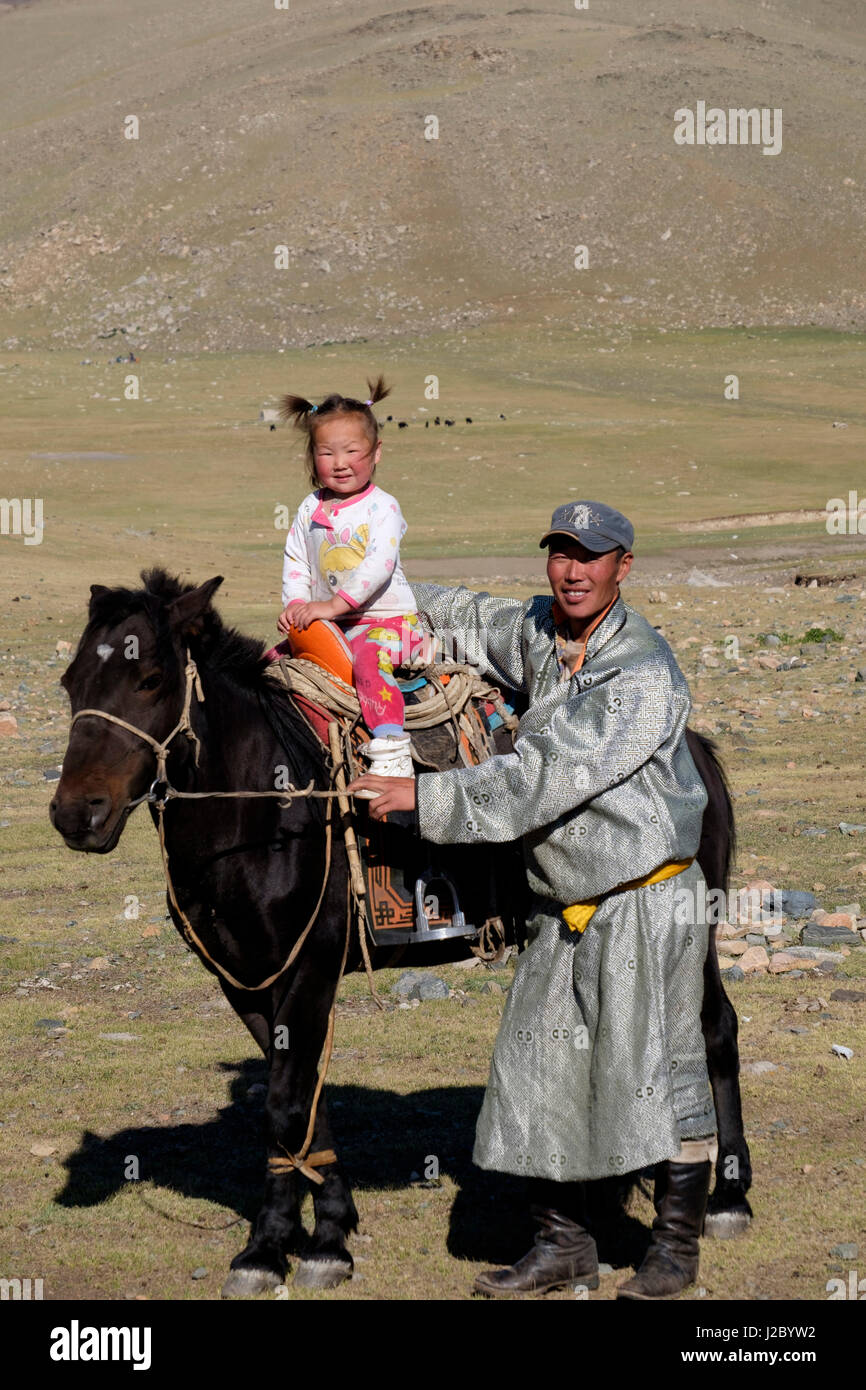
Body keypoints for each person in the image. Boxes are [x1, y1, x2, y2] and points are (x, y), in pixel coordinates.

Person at [347, 500, 719, 1300]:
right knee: (535, 1070)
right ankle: (565, 1247)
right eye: (560, 554)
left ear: (625, 565)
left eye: (592, 557)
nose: (573, 571)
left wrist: (421, 799)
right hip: (565, 909)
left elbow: (538, 779)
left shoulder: (641, 675)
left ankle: (676, 1245)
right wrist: (360, 589)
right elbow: (464, 616)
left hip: (644, 904)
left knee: (662, 1069)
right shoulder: (544, 638)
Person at [274, 376, 425, 792]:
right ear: (312, 456)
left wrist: (332, 606)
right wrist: (297, 605)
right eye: (327, 453)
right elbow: (298, 561)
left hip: (392, 625)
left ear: (376, 453)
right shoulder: (310, 507)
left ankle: (391, 749)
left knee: (368, 660)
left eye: (352, 451)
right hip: (334, 625)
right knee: (271, 665)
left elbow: (378, 566)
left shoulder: (383, 507)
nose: (340, 463)